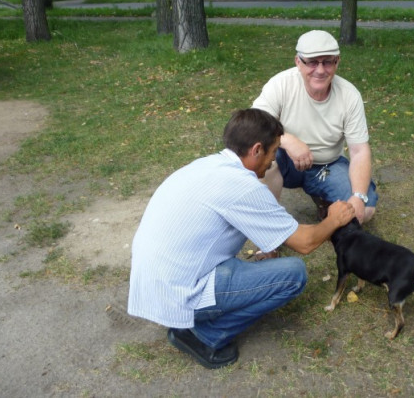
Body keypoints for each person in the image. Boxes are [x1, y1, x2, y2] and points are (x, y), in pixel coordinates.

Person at [127, 108, 355, 369]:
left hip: (151, 284)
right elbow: (305, 242)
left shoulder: (206, 165)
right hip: (178, 293)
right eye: (273, 151)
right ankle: (203, 335)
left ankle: (191, 316)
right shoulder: (243, 187)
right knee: (293, 274)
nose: (274, 160)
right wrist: (334, 220)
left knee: (236, 266)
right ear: (257, 149)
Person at [252, 30, 378, 224]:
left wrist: (359, 197)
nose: (320, 70)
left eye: (327, 62)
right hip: (285, 158)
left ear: (337, 62)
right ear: (298, 61)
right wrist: (287, 140)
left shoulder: (349, 95)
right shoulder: (280, 84)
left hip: (327, 165)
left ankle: (325, 199)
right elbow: (254, 124)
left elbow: (359, 151)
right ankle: (268, 222)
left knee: (366, 209)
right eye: (312, 62)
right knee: (261, 155)